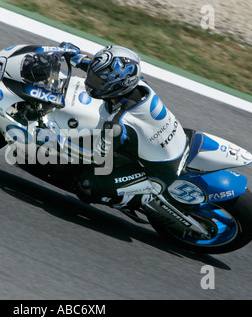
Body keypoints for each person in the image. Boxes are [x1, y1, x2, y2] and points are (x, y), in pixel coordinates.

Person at [64, 43, 189, 213]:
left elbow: (99, 158)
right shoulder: (138, 83)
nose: (92, 83)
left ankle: (132, 201)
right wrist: (76, 58)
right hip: (175, 144)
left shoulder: (118, 123)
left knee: (86, 186)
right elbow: (107, 74)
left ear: (116, 87)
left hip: (159, 174)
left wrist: (63, 142)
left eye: (98, 82)